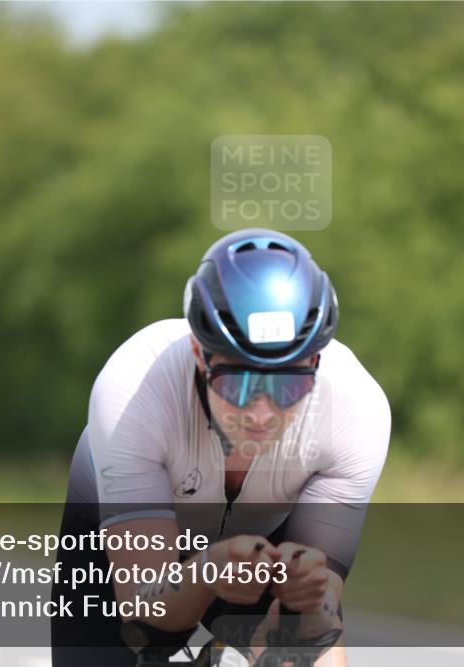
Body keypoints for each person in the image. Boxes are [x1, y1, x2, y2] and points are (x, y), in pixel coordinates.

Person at [52, 229, 390, 666]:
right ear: (199, 353)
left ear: (316, 365)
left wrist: (303, 612)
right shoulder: (134, 388)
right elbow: (146, 619)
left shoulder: (355, 408)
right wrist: (208, 573)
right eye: (240, 383)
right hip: (131, 539)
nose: (262, 413)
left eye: (289, 387)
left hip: (264, 540)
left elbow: (314, 614)